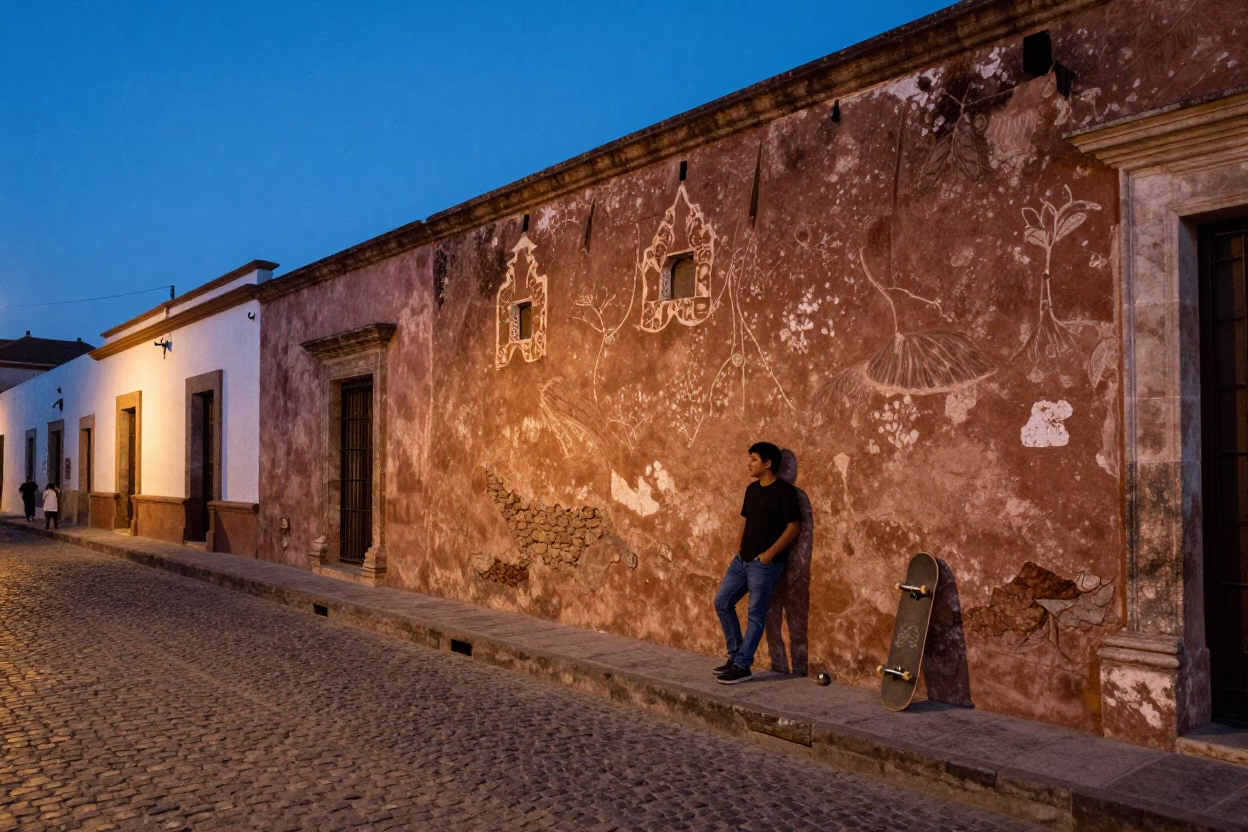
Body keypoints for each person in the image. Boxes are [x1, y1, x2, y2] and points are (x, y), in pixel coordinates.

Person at [713, 441, 802, 685]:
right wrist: (739, 548)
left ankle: (743, 666)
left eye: (753, 459)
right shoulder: (752, 490)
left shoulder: (785, 492)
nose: (748, 464)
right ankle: (735, 657)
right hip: (742, 561)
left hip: (765, 564)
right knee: (722, 602)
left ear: (768, 463)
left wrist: (770, 554)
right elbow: (745, 519)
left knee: (755, 614)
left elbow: (794, 526)